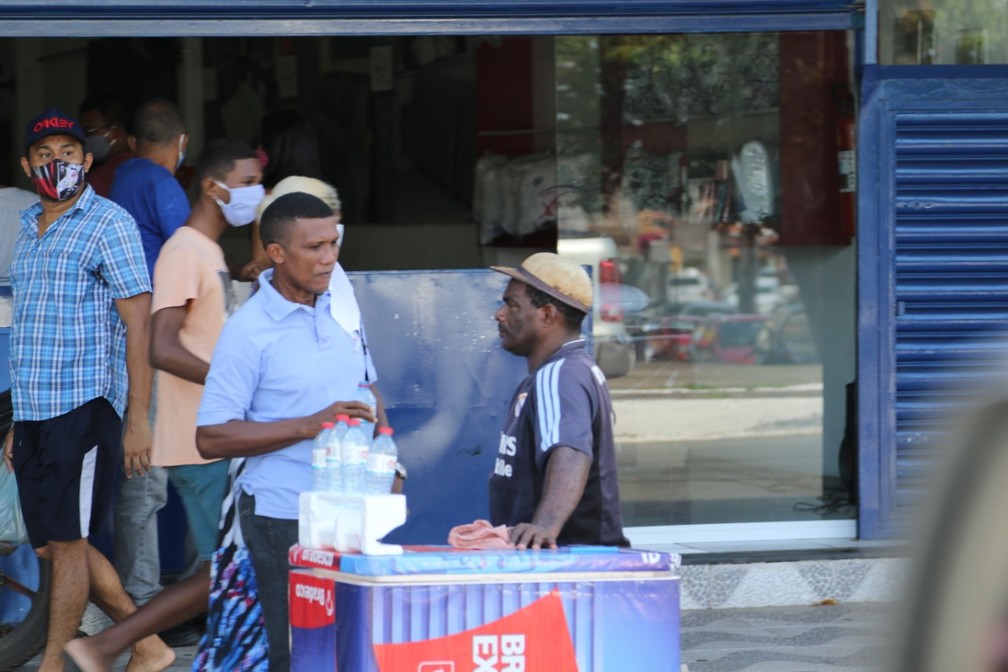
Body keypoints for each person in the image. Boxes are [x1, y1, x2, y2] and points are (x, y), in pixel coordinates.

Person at [64, 138, 263, 672]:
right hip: (199, 443)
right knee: (226, 570)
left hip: (215, 436)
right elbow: (162, 345)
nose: (254, 194)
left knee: (224, 570)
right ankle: (112, 646)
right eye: (247, 183)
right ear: (213, 186)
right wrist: (235, 384)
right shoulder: (183, 251)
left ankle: (160, 649)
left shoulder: (210, 252)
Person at [2, 107, 171, 671]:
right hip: (34, 412)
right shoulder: (28, 228)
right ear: (28, 165)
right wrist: (17, 423)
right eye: (45, 155)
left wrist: (138, 419)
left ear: (87, 161)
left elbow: (138, 323)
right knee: (50, 543)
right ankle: (146, 643)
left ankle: (54, 664)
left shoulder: (110, 223)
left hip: (85, 403)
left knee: (70, 544)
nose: (58, 164)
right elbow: (31, 324)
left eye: (68, 154)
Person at [196, 191, 387, 669]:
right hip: (283, 516)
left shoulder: (340, 300)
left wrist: (390, 452)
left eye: (333, 244)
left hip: (352, 509)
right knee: (297, 654)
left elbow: (367, 383)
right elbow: (211, 437)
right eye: (314, 248)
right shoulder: (247, 332)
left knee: (353, 648)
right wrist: (308, 425)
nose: (329, 258)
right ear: (277, 254)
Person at [106, 98, 197, 645]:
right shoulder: (160, 183)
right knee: (151, 480)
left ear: (133, 141)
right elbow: (191, 250)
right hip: (155, 345)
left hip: (131, 341)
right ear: (182, 142)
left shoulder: (121, 176)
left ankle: (149, 603)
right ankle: (144, 608)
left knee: (150, 476)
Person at [489, 252, 630, 550]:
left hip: (570, 567)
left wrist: (545, 527)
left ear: (548, 315)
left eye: (512, 304)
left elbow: (571, 450)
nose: (500, 314)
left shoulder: (560, 374)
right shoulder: (567, 370)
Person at [239, 109, 323, 281]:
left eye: (262, 143)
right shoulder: (322, 195)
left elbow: (260, 264)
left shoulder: (269, 198)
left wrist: (233, 270)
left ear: (278, 150)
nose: (257, 150)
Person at [79, 94, 134, 198]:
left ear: (116, 132)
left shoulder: (99, 180)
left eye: (90, 131)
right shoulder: (152, 168)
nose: (84, 138)